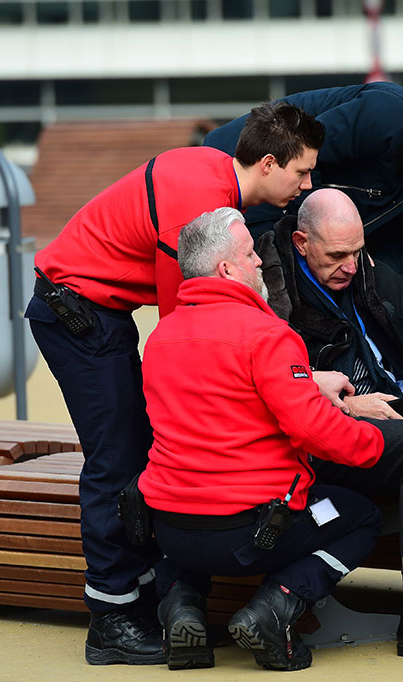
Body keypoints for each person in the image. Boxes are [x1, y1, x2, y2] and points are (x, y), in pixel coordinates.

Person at [24, 102, 323, 665]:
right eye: (301, 172)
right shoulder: (200, 200)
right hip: (79, 315)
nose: (306, 185)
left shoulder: (211, 176)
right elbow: (184, 325)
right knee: (116, 461)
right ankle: (110, 620)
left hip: (92, 313)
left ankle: (138, 600)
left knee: (130, 454)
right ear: (267, 163)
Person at [138, 207, 385, 671]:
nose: (260, 263)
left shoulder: (161, 335)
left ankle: (181, 606)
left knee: (194, 524)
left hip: (171, 526)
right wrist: (375, 442)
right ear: (226, 269)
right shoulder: (269, 334)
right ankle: (276, 606)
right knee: (359, 517)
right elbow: (312, 428)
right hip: (253, 532)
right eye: (250, 254)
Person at [258, 188, 403, 662]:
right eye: (337, 255)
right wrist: (348, 406)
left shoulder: (375, 280)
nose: (350, 264)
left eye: (357, 251)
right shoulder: (277, 300)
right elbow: (275, 391)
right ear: (301, 242)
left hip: (400, 407)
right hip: (333, 433)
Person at [204, 82, 403, 277]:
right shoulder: (389, 115)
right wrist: (317, 241)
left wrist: (374, 274)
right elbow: (300, 161)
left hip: (297, 213)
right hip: (245, 173)